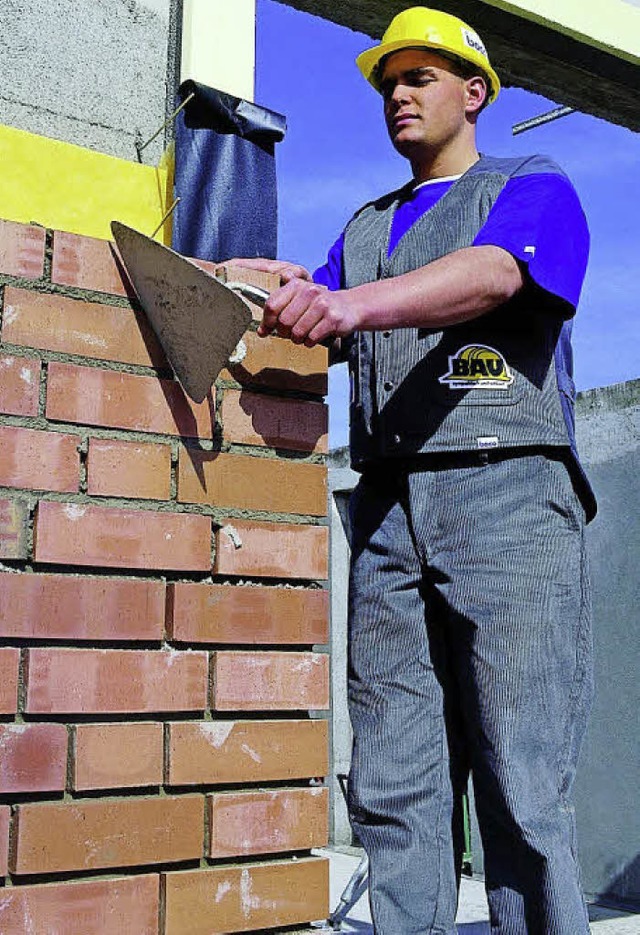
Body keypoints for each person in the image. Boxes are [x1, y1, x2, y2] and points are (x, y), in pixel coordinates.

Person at [231, 7, 595, 932]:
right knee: (395, 775)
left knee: (522, 773)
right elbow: (313, 314)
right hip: (389, 509)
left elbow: (495, 275)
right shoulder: (365, 230)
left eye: (421, 77)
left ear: (474, 95)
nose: (399, 93)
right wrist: (251, 285)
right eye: (389, 81)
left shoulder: (531, 184)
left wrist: (345, 305)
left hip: (509, 495)